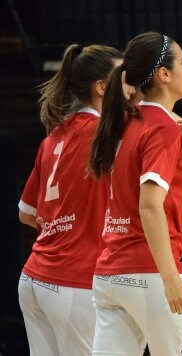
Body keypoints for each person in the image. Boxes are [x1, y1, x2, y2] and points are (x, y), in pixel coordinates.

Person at [88, 32, 182, 355]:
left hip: (111, 276)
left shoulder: (126, 123)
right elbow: (149, 207)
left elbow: (141, 211)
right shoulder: (162, 128)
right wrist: (170, 278)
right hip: (149, 273)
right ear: (164, 74)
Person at [17, 43, 122, 356]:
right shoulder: (106, 135)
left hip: (35, 279)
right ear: (102, 88)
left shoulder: (54, 137)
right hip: (75, 282)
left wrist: (63, 227)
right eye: (123, 78)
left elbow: (26, 213)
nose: (130, 87)